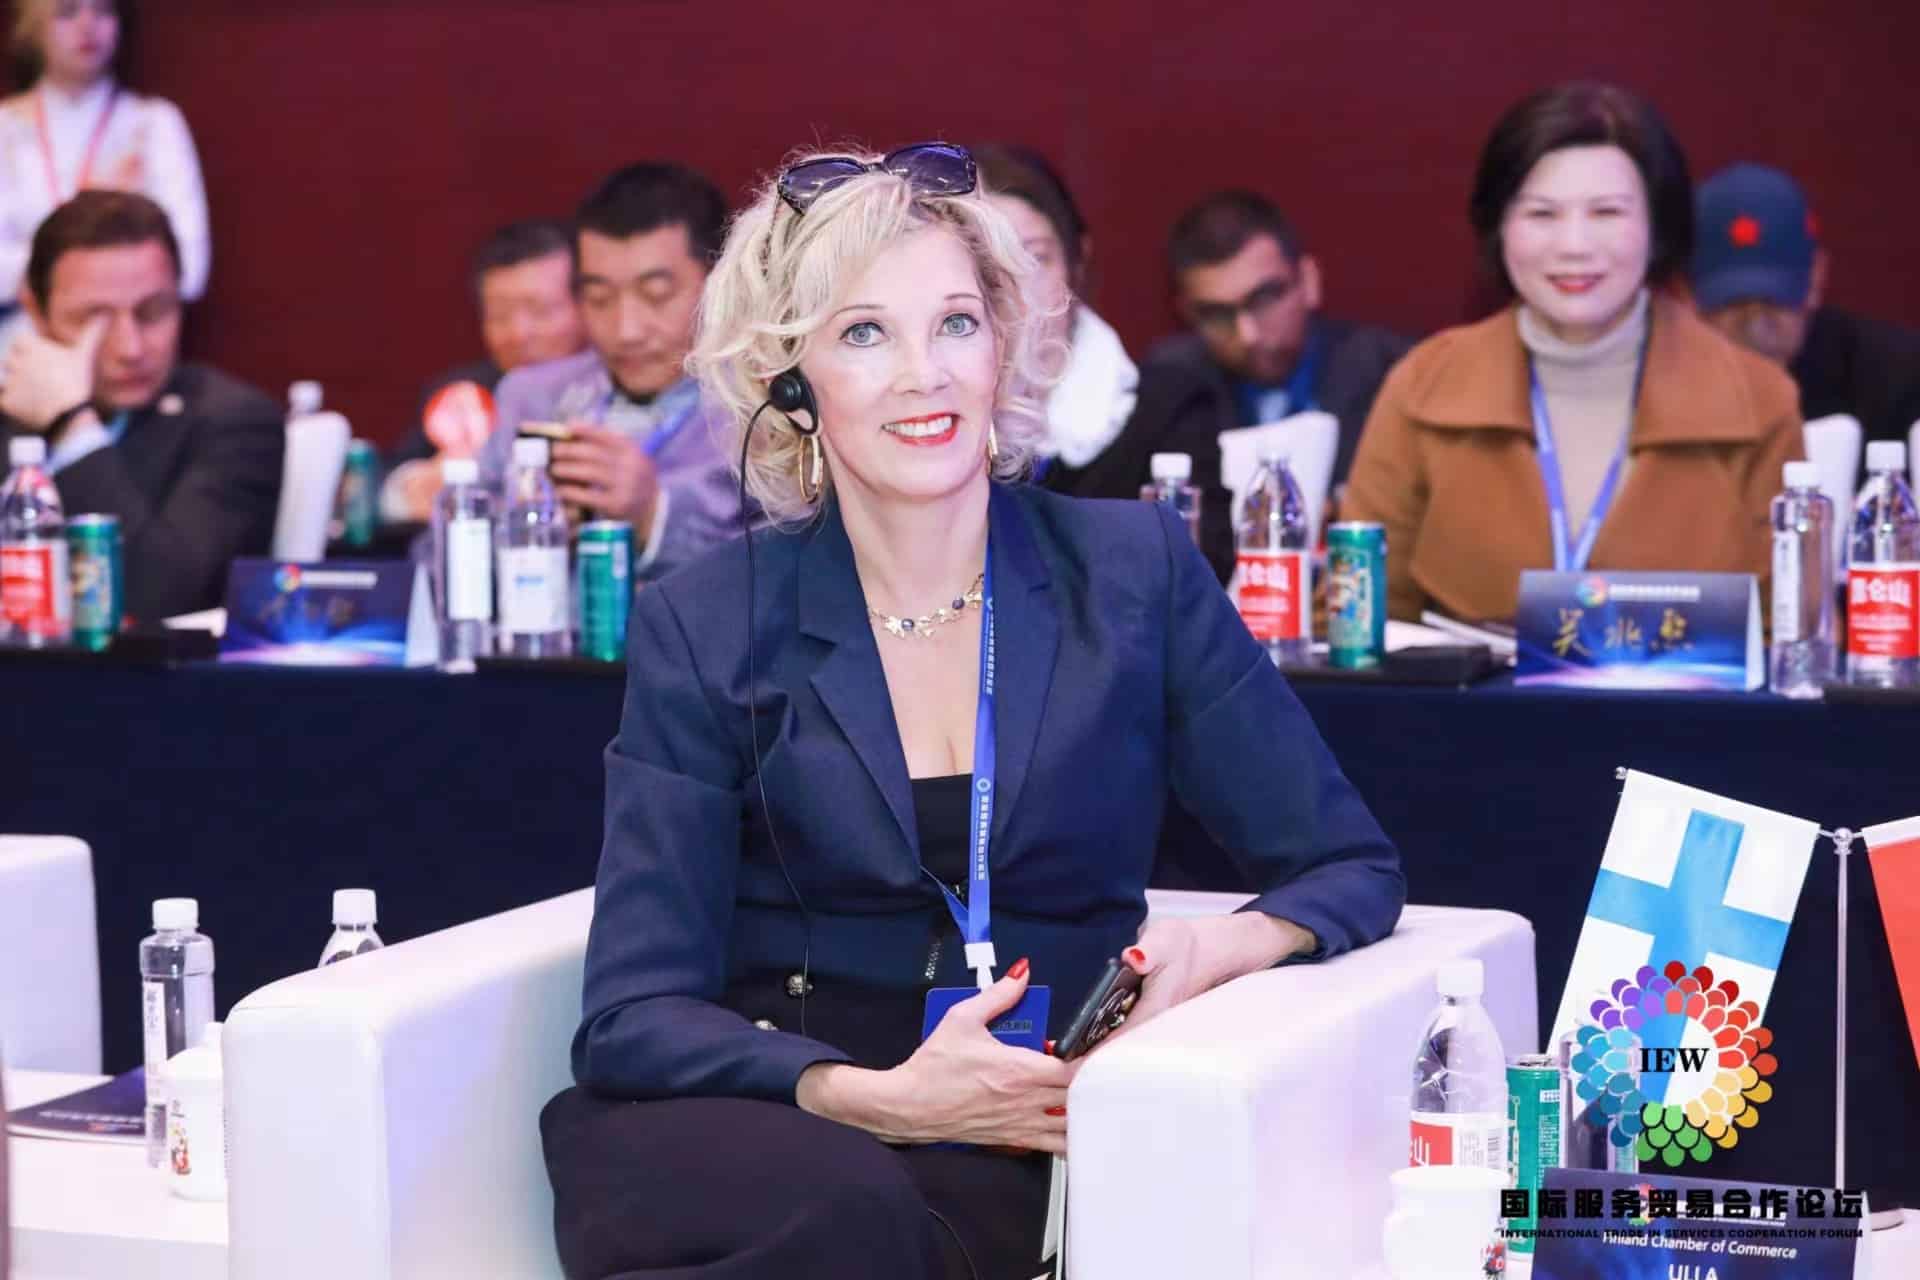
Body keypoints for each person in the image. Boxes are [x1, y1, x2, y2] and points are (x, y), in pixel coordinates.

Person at [539, 142, 1404, 1280]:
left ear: (1002, 345)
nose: (924, 374)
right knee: (844, 1209)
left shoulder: (1130, 573)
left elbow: (1349, 865)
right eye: (864, 334)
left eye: (954, 324)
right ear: (790, 382)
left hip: (1019, 1130)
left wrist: (1216, 944)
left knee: (903, 1224)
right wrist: (878, 1097)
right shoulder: (705, 623)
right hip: (780, 1119)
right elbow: (632, 1013)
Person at [1343, 82, 1802, 623]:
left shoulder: (1758, 401)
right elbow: (1357, 623)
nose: (1575, 246)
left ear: (1655, 227)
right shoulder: (1423, 388)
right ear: (1499, 228)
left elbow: (1788, 631)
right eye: (1542, 215)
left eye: (1606, 213)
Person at [1068, 190, 1410, 579]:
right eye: (1216, 314)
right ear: (1186, 313)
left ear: (1309, 281)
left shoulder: (1390, 374)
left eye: (1264, 298)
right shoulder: (1169, 391)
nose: (1247, 334)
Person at [0, 191, 280, 620]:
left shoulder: (235, 424)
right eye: (93, 319)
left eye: (153, 311)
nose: (129, 348)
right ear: (36, 311)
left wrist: (73, 427)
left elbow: (159, 598)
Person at [471, 163, 739, 582]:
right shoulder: (531, 397)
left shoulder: (765, 411)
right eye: (599, 298)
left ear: (722, 283)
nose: (626, 330)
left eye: (656, 295)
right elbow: (442, 549)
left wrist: (653, 516)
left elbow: (789, 565)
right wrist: (527, 528)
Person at [0, 1, 210, 348]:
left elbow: (189, 270)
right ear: (32, 28)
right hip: (18, 349)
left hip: (130, 348)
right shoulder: (5, 127)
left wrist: (44, 267)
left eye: (103, 11)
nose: (88, 26)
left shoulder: (153, 124)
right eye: (67, 12)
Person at [1689, 162, 1920, 454]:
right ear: (1690, 297)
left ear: (1815, 279)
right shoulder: (1660, 388)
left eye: (1774, 302)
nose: (1755, 325)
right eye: (1732, 302)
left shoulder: (1896, 381)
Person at [381, 219, 587, 520]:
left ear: (589, 305)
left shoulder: (615, 389)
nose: (518, 334)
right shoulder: (463, 396)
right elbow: (388, 478)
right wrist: (411, 486)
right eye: (500, 315)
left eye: (541, 311)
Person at [971, 143, 1136, 483]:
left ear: (1077, 261)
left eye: (1034, 258)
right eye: (985, 263)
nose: (1012, 287)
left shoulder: (1155, 416)